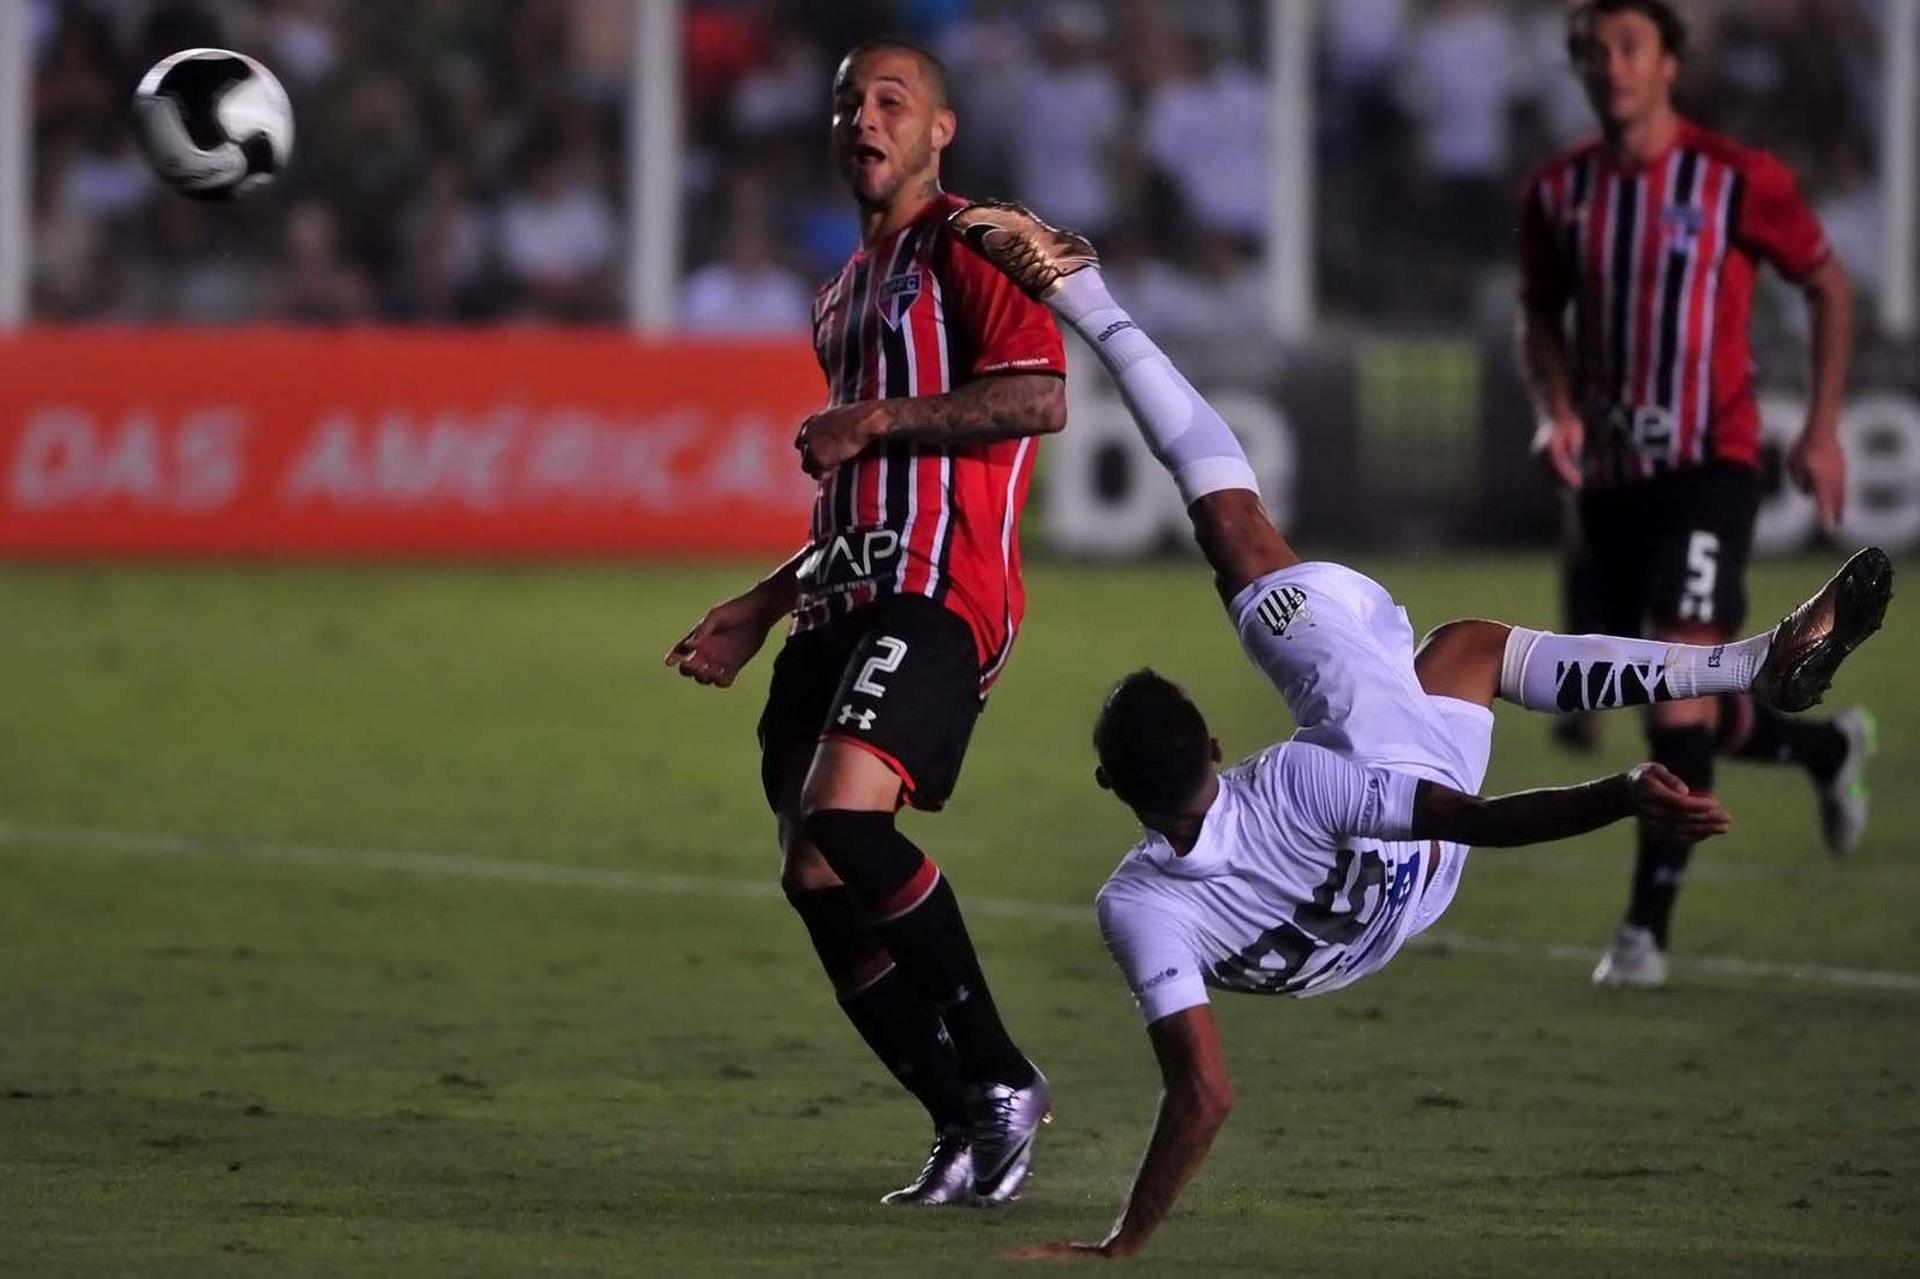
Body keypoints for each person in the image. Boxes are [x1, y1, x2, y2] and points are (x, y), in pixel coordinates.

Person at [941, 198, 1892, 1260]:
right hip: (1407, 824)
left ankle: (1754, 676)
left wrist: (1121, 1246)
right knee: (1237, 533)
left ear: (1110, 786)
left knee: (1466, 652)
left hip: (1387, 919)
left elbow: (1203, 1094)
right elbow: (1473, 816)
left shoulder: (1136, 905)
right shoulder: (1299, 782)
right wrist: (1619, 793)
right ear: (1216, 746)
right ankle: (1083, 289)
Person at [665, 39, 1064, 1207]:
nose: (864, 117)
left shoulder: (975, 240)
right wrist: (758, 600)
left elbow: (1039, 396)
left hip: (942, 590)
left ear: (940, 129)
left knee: (848, 810)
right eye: (848, 100)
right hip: (839, 596)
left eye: (893, 99)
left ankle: (1000, 1072)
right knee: (811, 867)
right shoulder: (841, 293)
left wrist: (877, 417)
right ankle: (961, 1122)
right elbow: (855, 487)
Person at [1516, 0, 1875, 987]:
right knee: (1678, 697)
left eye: (1629, 46)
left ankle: (1644, 933)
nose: (1609, 66)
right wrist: (1557, 409)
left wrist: (1823, 425)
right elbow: (1539, 315)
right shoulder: (1560, 192)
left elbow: (1829, 284)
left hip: (1712, 465)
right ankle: (1824, 749)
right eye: (1592, 52)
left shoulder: (1734, 179)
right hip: (1616, 483)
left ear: (1671, 63)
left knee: (1678, 684)